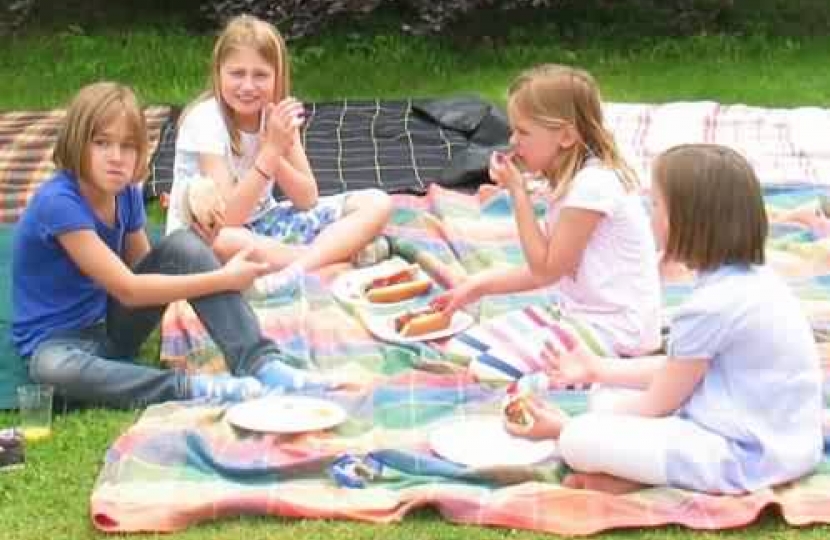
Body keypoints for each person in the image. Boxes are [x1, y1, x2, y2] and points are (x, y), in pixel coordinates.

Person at [507, 144, 824, 495]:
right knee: (605, 394)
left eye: (655, 204)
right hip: (788, 441)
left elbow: (656, 404)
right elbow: (682, 369)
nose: (649, 212)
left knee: (580, 439)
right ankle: (624, 475)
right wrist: (597, 368)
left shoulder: (710, 306)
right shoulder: (753, 280)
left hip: (741, 456)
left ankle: (629, 477)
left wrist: (566, 427)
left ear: (680, 222)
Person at [11, 82, 342, 410]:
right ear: (77, 144)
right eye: (101, 143)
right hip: (56, 343)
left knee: (182, 245)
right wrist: (224, 279)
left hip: (111, 328)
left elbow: (151, 266)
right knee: (51, 371)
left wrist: (201, 246)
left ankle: (261, 364)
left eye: (127, 146)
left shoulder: (125, 193)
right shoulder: (58, 203)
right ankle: (192, 387)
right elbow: (130, 289)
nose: (116, 158)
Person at [433, 64, 661, 358]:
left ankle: (600, 372)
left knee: (488, 367)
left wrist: (518, 194)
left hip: (619, 330)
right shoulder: (572, 182)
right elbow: (550, 267)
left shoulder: (593, 186)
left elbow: (546, 271)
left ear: (566, 137)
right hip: (575, 313)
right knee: (461, 350)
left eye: (523, 131)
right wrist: (477, 286)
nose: (513, 141)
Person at [166, 14, 393, 296]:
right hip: (209, 232)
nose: (248, 86)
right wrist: (271, 152)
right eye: (237, 73)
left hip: (267, 222)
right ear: (218, 73)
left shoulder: (277, 116)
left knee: (377, 202)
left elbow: (307, 198)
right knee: (222, 242)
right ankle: (338, 254)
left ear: (277, 77)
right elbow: (227, 219)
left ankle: (299, 266)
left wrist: (275, 147)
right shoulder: (205, 121)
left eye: (260, 75)